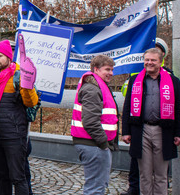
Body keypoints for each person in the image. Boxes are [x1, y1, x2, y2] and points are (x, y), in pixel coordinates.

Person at [122, 48, 180, 195]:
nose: (149, 63)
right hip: (141, 131)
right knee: (144, 173)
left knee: (161, 175)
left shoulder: (173, 81)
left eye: (153, 60)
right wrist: (126, 131)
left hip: (163, 131)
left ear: (160, 62)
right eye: (147, 60)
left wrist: (178, 132)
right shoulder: (135, 80)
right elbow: (127, 104)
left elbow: (179, 107)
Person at [0, 40, 39, 195]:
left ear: (8, 57)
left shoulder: (19, 76)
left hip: (14, 136)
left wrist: (27, 85)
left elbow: (31, 102)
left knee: (18, 177)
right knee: (2, 176)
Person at [71, 54, 118, 194]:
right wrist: (103, 143)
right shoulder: (92, 89)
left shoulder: (96, 86)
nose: (111, 73)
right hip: (94, 144)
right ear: (96, 69)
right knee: (95, 188)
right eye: (107, 69)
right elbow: (90, 121)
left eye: (112, 70)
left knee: (96, 185)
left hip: (93, 143)